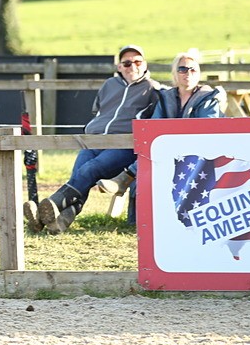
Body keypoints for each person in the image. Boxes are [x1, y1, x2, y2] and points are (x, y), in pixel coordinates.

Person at [25, 45, 162, 234]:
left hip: (124, 146)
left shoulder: (153, 90)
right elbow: (98, 111)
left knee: (89, 170)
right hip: (95, 141)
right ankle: (59, 221)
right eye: (127, 63)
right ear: (119, 67)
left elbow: (157, 120)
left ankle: (49, 208)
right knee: (78, 174)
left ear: (145, 65)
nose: (133, 66)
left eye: (138, 62)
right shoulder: (109, 85)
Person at [96, 50, 225, 223]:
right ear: (175, 73)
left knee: (155, 154)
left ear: (199, 73)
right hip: (166, 153)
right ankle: (138, 222)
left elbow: (204, 131)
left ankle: (125, 177)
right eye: (182, 69)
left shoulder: (208, 98)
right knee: (147, 164)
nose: (188, 73)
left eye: (193, 69)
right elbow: (155, 127)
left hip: (197, 154)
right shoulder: (165, 98)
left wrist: (170, 138)